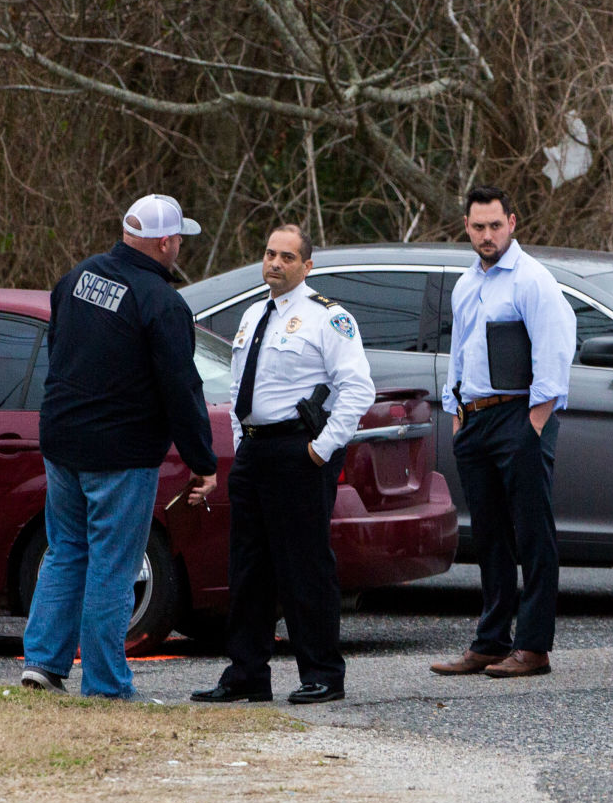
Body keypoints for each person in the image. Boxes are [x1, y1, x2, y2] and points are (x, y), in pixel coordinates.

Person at [21, 194, 219, 699]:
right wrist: (202, 461)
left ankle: (43, 662)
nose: (178, 249)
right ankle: (107, 683)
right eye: (178, 241)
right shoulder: (162, 303)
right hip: (121, 452)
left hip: (62, 439)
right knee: (114, 563)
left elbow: (60, 350)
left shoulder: (77, 278)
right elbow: (182, 387)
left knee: (66, 551)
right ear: (166, 242)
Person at [191, 225, 374, 705]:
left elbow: (357, 389)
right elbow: (238, 389)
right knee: (248, 567)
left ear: (306, 266)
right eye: (270, 254)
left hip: (298, 452)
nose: (275, 263)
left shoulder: (327, 319)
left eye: (287, 257)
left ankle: (322, 673)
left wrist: (322, 448)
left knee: (305, 567)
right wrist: (238, 440)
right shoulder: (253, 315)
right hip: (254, 451)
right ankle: (247, 672)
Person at [429, 186, 576, 679]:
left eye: (495, 225)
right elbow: (460, 348)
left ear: (512, 223)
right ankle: (490, 641)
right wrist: (455, 410)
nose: (487, 235)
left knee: (532, 534)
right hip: (475, 418)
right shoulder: (467, 283)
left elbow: (555, 351)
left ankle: (533, 647)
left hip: (520, 416)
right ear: (466, 227)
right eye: (478, 226)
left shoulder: (532, 281)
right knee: (489, 536)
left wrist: (534, 423)